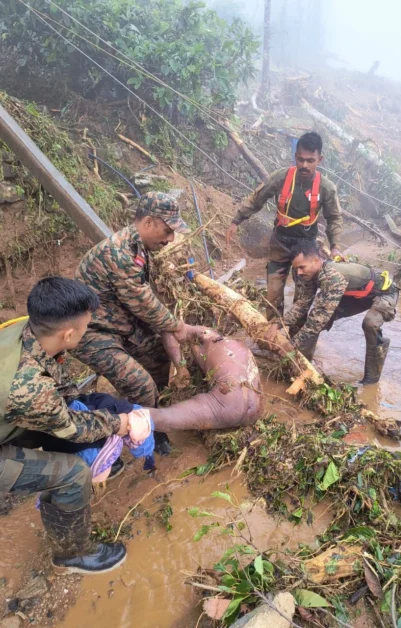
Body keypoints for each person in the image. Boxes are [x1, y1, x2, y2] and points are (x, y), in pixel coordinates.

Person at [0, 278, 150, 574]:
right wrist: (119, 424)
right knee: (72, 474)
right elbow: (69, 427)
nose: (85, 333)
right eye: (84, 328)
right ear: (69, 334)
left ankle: (89, 467)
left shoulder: (22, 329)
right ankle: (73, 553)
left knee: (84, 410)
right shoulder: (26, 385)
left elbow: (62, 395)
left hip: (12, 412)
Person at [72, 191, 196, 456]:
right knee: (139, 383)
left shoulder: (139, 246)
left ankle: (156, 411)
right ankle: (147, 432)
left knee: (158, 355)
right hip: (90, 333)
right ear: (149, 222)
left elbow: (143, 297)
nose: (170, 238)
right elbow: (142, 302)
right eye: (167, 230)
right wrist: (177, 326)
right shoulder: (120, 253)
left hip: (119, 322)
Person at [226, 132, 343, 319]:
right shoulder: (280, 178)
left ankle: (295, 339)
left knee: (302, 298)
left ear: (320, 159)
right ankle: (273, 337)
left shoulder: (326, 188)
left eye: (310, 160)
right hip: (280, 243)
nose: (304, 165)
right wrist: (236, 220)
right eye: (300, 159)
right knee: (272, 296)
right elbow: (257, 198)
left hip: (307, 247)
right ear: (295, 156)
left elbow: (335, 218)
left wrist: (335, 247)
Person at [276, 240, 399, 384]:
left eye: (302, 267)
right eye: (296, 269)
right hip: (356, 295)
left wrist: (290, 345)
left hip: (383, 293)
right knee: (319, 320)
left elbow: (316, 321)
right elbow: (303, 304)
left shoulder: (332, 277)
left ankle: (371, 380)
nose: (299, 272)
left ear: (316, 261)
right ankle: (303, 366)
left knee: (370, 323)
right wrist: (278, 324)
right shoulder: (307, 274)